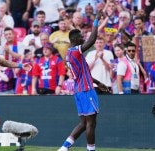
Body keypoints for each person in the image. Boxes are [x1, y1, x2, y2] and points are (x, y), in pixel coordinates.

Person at [58, 10, 103, 151]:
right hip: (86, 90)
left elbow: (84, 73)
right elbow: (92, 40)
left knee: (83, 123)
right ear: (75, 39)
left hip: (79, 90)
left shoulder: (70, 54)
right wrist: (96, 20)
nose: (83, 38)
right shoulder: (75, 51)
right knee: (91, 123)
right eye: (81, 36)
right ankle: (91, 150)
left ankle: (64, 148)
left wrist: (100, 83)